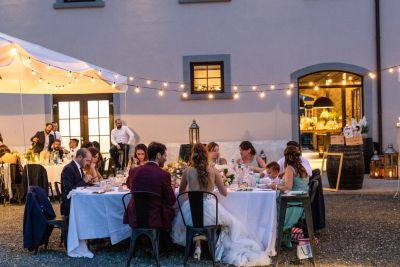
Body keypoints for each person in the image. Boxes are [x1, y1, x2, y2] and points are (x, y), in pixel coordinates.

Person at [171, 144, 271, 266]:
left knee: (196, 222)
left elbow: (181, 192)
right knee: (229, 223)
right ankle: (215, 249)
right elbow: (224, 193)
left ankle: (198, 245)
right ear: (206, 155)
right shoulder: (213, 170)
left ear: (193, 155)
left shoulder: (187, 171)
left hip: (191, 213)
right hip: (210, 212)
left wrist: (193, 189)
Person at [124, 142, 176, 249]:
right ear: (158, 155)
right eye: (165, 156)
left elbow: (129, 185)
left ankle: (144, 243)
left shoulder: (134, 171)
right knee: (170, 210)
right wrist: (171, 188)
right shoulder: (164, 174)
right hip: (154, 218)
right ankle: (162, 244)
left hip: (135, 216)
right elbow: (171, 201)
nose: (165, 159)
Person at [275, 145, 310, 246]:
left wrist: (275, 186)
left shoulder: (290, 168)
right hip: (301, 202)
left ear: (286, 157)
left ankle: (274, 238)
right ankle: (285, 240)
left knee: (271, 206)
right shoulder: (301, 167)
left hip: (293, 204)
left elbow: (288, 188)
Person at [60, 148, 93, 216]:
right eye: (87, 160)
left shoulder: (78, 167)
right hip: (70, 203)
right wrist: (84, 181)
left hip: (77, 200)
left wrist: (88, 182)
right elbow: (69, 190)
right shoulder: (68, 168)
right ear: (80, 157)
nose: (88, 163)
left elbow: (80, 184)